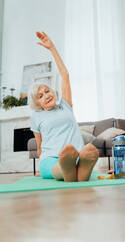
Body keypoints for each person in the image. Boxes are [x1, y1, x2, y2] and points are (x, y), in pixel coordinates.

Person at [29, 32, 99, 181]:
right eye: (40, 96)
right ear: (37, 104)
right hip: (50, 159)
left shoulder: (65, 105)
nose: (46, 95)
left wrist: (52, 48)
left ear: (53, 92)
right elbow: (40, 146)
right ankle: (72, 170)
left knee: (84, 153)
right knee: (59, 165)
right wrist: (42, 169)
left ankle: (75, 169)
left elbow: (65, 74)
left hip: (76, 154)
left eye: (47, 91)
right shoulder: (36, 116)